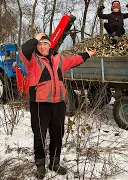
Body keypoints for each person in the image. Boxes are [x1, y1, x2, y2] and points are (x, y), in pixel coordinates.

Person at [19, 33, 96, 179]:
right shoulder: (32, 59)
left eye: (45, 43)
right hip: (40, 104)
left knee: (57, 135)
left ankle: (55, 163)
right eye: (40, 44)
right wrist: (36, 38)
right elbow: (24, 50)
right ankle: (40, 166)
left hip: (58, 104)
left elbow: (73, 60)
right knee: (39, 136)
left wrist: (87, 54)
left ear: (50, 45)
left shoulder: (58, 59)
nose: (42, 46)